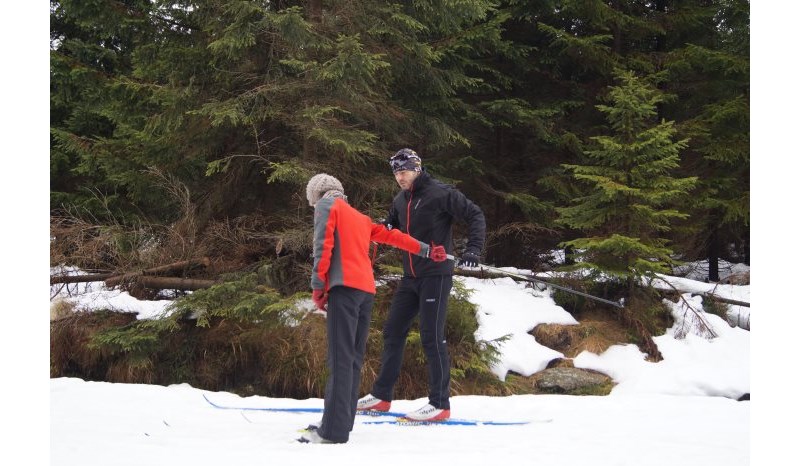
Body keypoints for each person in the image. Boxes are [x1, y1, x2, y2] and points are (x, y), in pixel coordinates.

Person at [298, 173, 447, 444]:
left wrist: (318, 286)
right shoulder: (359, 217)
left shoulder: (326, 206)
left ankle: (331, 431)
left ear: (317, 194)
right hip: (365, 291)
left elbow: (322, 247)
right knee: (352, 360)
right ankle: (341, 422)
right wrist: (426, 250)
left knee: (340, 359)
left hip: (343, 289)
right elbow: (394, 237)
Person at [357, 148, 486, 422]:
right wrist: (381, 229)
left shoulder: (440, 193)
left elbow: (475, 215)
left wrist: (473, 250)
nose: (400, 178)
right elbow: (390, 223)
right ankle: (381, 397)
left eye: (403, 172)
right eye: (396, 173)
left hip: (436, 276)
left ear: (417, 169)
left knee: (431, 336)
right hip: (410, 277)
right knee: (392, 332)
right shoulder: (401, 199)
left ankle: (439, 403)